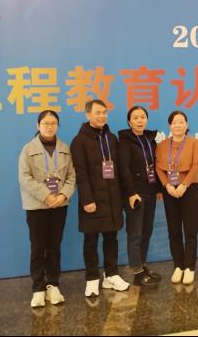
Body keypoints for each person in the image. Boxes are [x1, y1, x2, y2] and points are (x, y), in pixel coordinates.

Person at [71, 99, 130, 297]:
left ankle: (111, 275)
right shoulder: (79, 141)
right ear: (88, 115)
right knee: (91, 240)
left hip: (112, 198)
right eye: (98, 112)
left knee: (111, 238)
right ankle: (92, 279)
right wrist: (87, 199)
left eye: (104, 112)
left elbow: (118, 169)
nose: (102, 116)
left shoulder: (111, 138)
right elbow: (80, 173)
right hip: (92, 200)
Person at [18, 109, 76, 307]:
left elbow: (72, 176)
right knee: (38, 247)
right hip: (37, 206)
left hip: (59, 205)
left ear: (57, 126)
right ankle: (38, 287)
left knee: (54, 246)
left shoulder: (65, 149)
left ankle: (53, 284)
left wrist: (62, 195)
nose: (50, 127)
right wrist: (46, 195)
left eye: (53, 123)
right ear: (38, 125)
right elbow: (25, 178)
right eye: (46, 123)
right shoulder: (28, 149)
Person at [155, 110, 198, 285]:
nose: (178, 125)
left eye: (181, 122)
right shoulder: (162, 145)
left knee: (190, 230)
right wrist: (167, 186)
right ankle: (178, 265)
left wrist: (184, 185)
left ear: (186, 125)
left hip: (189, 189)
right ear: (170, 126)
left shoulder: (193, 143)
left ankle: (190, 267)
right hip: (170, 191)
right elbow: (158, 168)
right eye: (174, 122)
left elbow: (196, 165)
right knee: (174, 230)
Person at [118, 106, 163, 288]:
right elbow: (123, 168)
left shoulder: (150, 140)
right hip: (135, 193)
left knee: (146, 231)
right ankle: (137, 273)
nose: (139, 120)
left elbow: (155, 165)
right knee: (135, 233)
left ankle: (143, 266)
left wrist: (158, 188)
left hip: (150, 191)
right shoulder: (124, 141)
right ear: (129, 122)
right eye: (135, 117)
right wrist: (130, 192)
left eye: (142, 117)